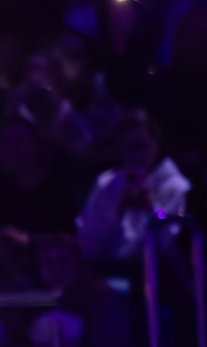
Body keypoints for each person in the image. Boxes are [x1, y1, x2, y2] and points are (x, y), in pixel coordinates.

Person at [76, 111, 188, 266]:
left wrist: (152, 209)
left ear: (155, 144)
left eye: (139, 146)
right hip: (107, 272)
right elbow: (88, 244)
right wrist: (117, 209)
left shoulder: (174, 186)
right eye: (125, 148)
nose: (132, 155)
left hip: (153, 274)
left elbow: (169, 238)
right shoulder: (106, 182)